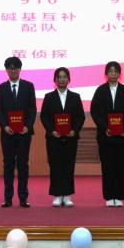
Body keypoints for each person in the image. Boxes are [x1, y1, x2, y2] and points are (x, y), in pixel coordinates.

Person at [90, 61, 124, 207]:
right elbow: (94, 112)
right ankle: (109, 196)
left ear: (119, 74)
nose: (113, 74)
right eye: (110, 71)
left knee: (119, 166)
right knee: (107, 167)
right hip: (105, 136)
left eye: (116, 71)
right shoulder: (100, 90)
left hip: (122, 136)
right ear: (106, 74)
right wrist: (105, 127)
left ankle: (119, 196)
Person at [39, 67, 85, 207]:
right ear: (55, 80)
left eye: (65, 76)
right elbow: (44, 116)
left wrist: (74, 130)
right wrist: (52, 130)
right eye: (59, 77)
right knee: (55, 166)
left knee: (69, 166)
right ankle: (57, 195)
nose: (62, 79)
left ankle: (68, 195)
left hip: (71, 138)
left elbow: (80, 117)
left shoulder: (75, 97)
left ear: (69, 79)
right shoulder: (49, 97)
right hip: (54, 138)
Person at [0, 56, 37, 208]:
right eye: (10, 68)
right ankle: (8, 198)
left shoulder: (28, 86)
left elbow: (32, 109)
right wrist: (4, 126)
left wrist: (28, 126)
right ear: (6, 70)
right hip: (7, 133)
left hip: (24, 133)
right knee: (8, 165)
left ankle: (23, 198)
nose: (13, 71)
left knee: (23, 165)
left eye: (15, 68)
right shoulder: (1, 88)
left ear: (20, 69)